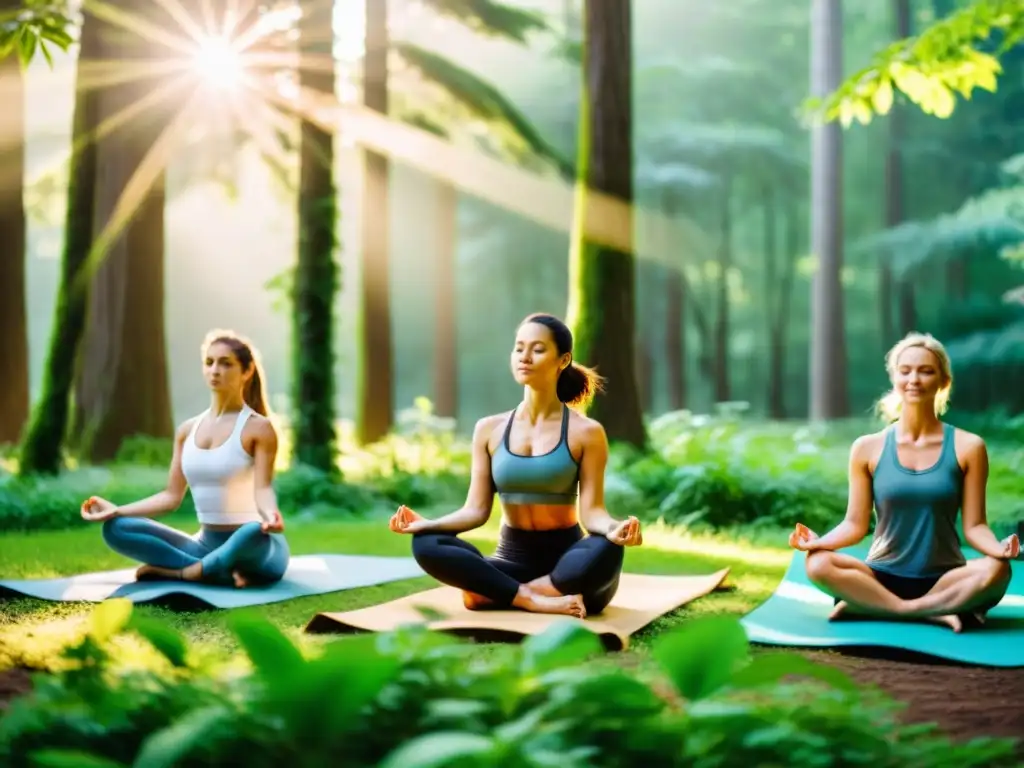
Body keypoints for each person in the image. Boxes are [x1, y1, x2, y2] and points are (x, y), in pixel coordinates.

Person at [389, 313, 643, 619]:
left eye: (537, 349)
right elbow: (475, 511)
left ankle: (502, 592)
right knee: (427, 544)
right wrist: (428, 525)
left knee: (606, 547)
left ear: (563, 360)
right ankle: (534, 599)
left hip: (571, 566)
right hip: (512, 560)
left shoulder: (586, 432)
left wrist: (615, 529)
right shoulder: (489, 429)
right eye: (519, 347)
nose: (525, 356)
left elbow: (593, 513)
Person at [789, 332, 1018, 632]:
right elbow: (855, 524)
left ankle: (874, 606)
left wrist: (998, 549)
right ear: (894, 378)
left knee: (998, 570)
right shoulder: (866, 448)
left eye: (926, 371)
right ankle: (929, 611)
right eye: (905, 370)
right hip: (880, 575)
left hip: (944, 577)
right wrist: (819, 543)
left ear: (943, 381)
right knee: (817, 563)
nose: (914, 379)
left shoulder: (969, 446)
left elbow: (975, 526)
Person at [80, 329, 290, 588]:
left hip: (257, 549)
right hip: (203, 545)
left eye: (226, 363)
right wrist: (117, 510)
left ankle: (183, 573)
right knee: (116, 528)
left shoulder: (259, 428)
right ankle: (211, 569)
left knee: (251, 530)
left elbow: (264, 489)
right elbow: (171, 497)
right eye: (210, 362)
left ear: (246, 372)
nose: (215, 370)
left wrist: (270, 514)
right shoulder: (187, 430)